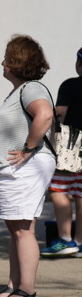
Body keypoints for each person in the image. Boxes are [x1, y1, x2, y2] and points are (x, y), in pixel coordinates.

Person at [0, 35, 56, 297]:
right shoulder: (20, 91)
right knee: (17, 229)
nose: (2, 63)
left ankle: (26, 290)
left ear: (16, 61)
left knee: (23, 230)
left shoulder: (31, 88)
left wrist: (28, 148)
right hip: (19, 167)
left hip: (27, 166)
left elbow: (45, 115)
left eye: (6, 58)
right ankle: (14, 285)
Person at [43, 48, 82, 256]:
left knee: (59, 190)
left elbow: (60, 115)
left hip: (70, 145)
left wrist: (51, 143)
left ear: (79, 64)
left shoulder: (69, 85)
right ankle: (80, 242)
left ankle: (66, 239)